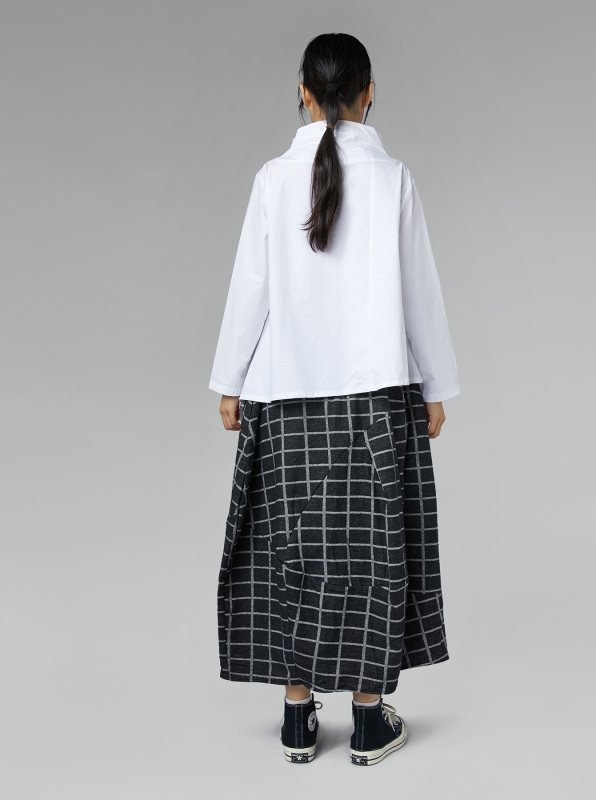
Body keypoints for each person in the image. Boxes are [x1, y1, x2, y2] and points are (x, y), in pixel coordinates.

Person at [208, 32, 460, 766]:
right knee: (376, 553)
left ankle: (296, 716)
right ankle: (369, 719)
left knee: (287, 549)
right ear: (369, 92)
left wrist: (231, 381)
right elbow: (420, 291)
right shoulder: (393, 179)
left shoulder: (271, 178)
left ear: (303, 93)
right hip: (377, 398)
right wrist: (436, 386)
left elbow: (249, 287)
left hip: (284, 396)